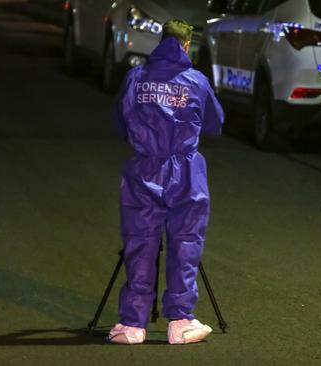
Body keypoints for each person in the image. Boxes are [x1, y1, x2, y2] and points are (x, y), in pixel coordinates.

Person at [109, 19, 224, 345]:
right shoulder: (196, 82)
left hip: (144, 170)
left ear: (160, 42)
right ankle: (180, 321)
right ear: (187, 45)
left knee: (140, 244)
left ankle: (133, 325)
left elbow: (119, 122)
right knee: (185, 245)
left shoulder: (135, 78)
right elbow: (216, 123)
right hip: (185, 173)